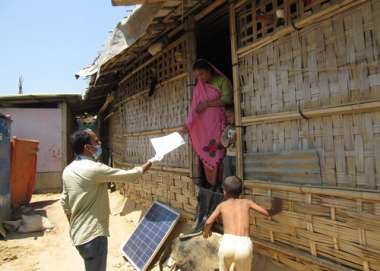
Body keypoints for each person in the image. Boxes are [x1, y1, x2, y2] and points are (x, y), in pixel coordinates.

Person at [61, 129, 156, 271]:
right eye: (96, 141)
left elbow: (64, 203)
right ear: (87, 148)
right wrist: (151, 161)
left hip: (78, 236)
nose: (100, 144)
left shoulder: (68, 170)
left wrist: (75, 226)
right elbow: (129, 175)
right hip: (93, 236)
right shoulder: (93, 169)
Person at [203, 176, 282, 271]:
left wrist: (206, 233)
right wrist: (277, 206)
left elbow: (208, 222)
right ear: (240, 191)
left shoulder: (222, 205)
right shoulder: (247, 202)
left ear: (224, 191)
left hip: (228, 244)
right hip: (244, 246)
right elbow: (267, 213)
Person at [181, 59, 233, 187]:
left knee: (220, 152)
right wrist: (188, 124)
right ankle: (211, 184)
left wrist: (207, 104)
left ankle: (223, 185)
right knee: (207, 151)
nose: (200, 78)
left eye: (202, 74)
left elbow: (227, 99)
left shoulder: (222, 81)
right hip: (204, 128)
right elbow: (194, 108)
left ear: (209, 70)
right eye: (197, 76)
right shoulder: (199, 87)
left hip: (219, 125)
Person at [221, 106, 236, 180]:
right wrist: (230, 141)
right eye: (227, 117)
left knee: (237, 174)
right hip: (229, 155)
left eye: (230, 116)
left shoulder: (239, 127)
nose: (228, 119)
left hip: (238, 156)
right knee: (227, 175)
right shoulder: (228, 128)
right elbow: (223, 140)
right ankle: (226, 189)